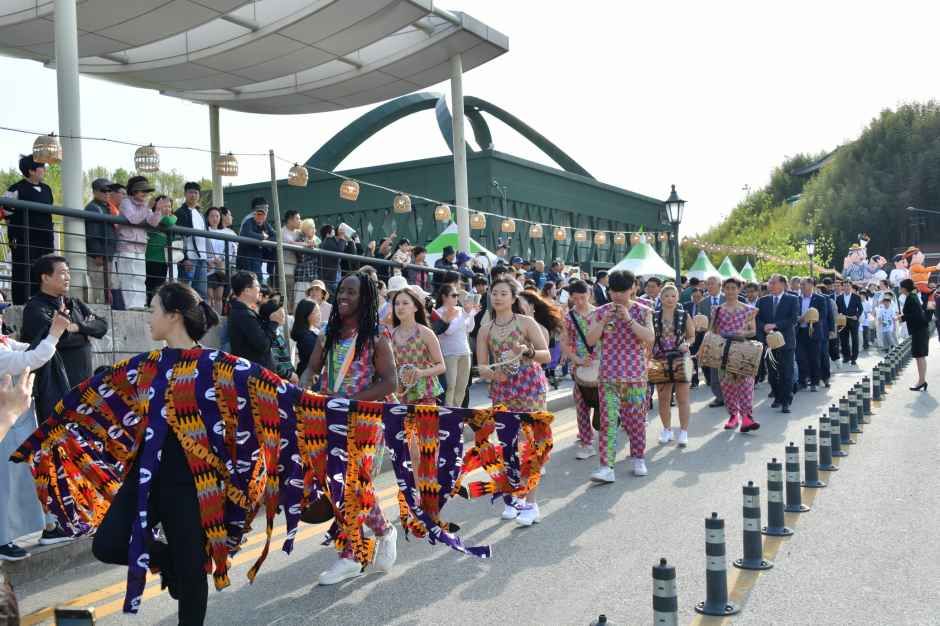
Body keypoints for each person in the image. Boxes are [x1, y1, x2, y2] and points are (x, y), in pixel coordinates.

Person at [87, 282, 220, 624]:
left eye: (153, 310)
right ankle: (169, 560)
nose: (149, 319)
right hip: (144, 477)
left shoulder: (216, 366)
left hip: (189, 483)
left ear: (174, 316)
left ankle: (181, 565)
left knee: (193, 575)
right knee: (108, 544)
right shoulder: (146, 365)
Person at [305, 271, 399, 585]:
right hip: (329, 419)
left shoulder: (375, 336)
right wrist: (303, 390)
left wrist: (352, 401)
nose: (343, 297)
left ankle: (351, 555)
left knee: (353, 485)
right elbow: (311, 370)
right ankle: (383, 532)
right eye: (341, 291)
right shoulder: (327, 334)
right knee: (342, 487)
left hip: (365, 422)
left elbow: (390, 382)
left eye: (351, 292)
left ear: (365, 298)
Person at [476, 278, 551, 524]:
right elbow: (482, 366)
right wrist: (493, 373)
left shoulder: (526, 323)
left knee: (531, 446)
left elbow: (546, 355)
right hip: (503, 391)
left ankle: (531, 503)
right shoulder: (485, 328)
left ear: (513, 297)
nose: (498, 297)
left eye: (503, 293)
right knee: (507, 446)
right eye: (494, 293)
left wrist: (526, 352)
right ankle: (512, 498)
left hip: (531, 388)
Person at [0, 304, 69, 560]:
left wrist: (52, 332)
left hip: (19, 422)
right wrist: (54, 334)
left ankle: (49, 525)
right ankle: (3, 539)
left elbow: (30, 351)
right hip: (6, 426)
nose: (1, 315)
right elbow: (28, 360)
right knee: (6, 484)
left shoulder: (4, 341)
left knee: (31, 476)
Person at [585, 270, 654, 481]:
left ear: (633, 288)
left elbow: (650, 337)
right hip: (608, 376)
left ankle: (638, 458)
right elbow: (590, 340)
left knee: (635, 420)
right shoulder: (601, 312)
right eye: (613, 291)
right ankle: (607, 467)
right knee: (608, 421)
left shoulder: (643, 311)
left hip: (635, 376)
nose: (617, 296)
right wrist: (603, 321)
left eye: (622, 291)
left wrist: (629, 320)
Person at [20, 255, 108, 422]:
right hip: (54, 391)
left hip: (83, 385)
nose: (68, 277)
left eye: (68, 272)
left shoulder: (73, 303)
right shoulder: (35, 308)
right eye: (62, 273)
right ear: (45, 277)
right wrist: (85, 333)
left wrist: (78, 327)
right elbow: (58, 338)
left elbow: (102, 326)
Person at [1, 155, 55, 304]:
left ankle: (44, 300)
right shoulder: (16, 189)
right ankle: (21, 301)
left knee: (44, 270)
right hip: (23, 238)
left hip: (45, 239)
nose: (44, 170)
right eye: (41, 167)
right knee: (23, 270)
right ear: (31, 171)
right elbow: (5, 211)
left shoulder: (47, 189)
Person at [714, 278, 761, 431]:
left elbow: (753, 331)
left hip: (743, 350)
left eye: (733, 288)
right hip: (723, 351)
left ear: (739, 290)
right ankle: (733, 416)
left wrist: (743, 332)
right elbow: (712, 331)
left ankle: (747, 417)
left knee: (746, 384)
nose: (730, 291)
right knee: (728, 385)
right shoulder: (718, 310)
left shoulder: (748, 309)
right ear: (723, 290)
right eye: (727, 288)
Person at [652, 284, 695, 446]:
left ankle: (683, 431)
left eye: (673, 296)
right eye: (666, 296)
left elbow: (692, 336)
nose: (670, 299)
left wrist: (687, 344)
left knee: (683, 398)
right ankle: (666, 429)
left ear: (677, 297)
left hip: (681, 358)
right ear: (661, 298)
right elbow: (650, 338)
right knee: (663, 398)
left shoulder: (684, 315)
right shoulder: (653, 316)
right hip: (659, 359)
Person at [561, 279, 597, 459]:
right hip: (579, 367)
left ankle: (605, 437)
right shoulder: (568, 317)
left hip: (601, 366)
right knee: (581, 404)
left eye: (583, 297)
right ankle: (586, 442)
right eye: (576, 299)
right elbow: (564, 343)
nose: (580, 302)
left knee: (603, 405)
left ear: (589, 294)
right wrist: (577, 360)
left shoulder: (599, 314)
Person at [391, 287, 446, 405]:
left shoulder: (425, 333)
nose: (400, 307)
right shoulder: (391, 334)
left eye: (405, 303)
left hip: (425, 394)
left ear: (415, 307)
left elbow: (441, 366)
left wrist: (421, 372)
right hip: (400, 395)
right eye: (397, 304)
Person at [116, 176, 163, 310]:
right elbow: (133, 219)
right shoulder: (126, 203)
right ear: (134, 191)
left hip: (141, 246)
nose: (145, 194)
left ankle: (139, 304)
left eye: (146, 192)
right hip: (126, 245)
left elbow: (153, 222)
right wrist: (147, 207)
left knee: (140, 277)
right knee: (129, 276)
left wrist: (157, 210)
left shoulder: (145, 206)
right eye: (142, 191)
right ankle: (130, 305)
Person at [756, 275, 799, 414]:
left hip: (786, 342)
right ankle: (777, 396)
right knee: (773, 373)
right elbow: (757, 319)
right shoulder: (762, 301)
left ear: (782, 284)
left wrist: (775, 325)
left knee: (786, 372)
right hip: (769, 342)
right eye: (770, 283)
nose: (770, 285)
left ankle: (786, 400)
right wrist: (764, 327)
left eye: (773, 283)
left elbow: (793, 319)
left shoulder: (792, 299)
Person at [435, 284, 475, 407]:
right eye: (453, 295)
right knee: (450, 385)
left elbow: (470, 328)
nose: (456, 298)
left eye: (457, 295)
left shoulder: (460, 310)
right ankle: (448, 411)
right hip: (449, 353)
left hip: (465, 352)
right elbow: (448, 331)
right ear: (444, 297)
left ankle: (457, 411)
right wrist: (465, 314)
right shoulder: (439, 312)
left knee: (462, 386)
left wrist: (471, 314)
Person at [227, 271, 274, 371]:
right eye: (257, 286)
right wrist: (274, 323)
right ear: (247, 290)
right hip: (254, 376)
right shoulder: (243, 314)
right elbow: (263, 345)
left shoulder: (242, 311)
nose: (260, 289)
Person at [84, 177, 118, 305]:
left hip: (107, 255)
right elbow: (92, 233)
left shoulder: (107, 208)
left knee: (106, 290)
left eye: (110, 190)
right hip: (98, 257)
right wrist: (97, 253)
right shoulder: (93, 208)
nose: (108, 193)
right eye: (104, 190)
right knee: (99, 290)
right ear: (95, 191)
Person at [174, 182, 209, 299]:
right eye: (190, 192)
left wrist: (208, 258)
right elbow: (178, 238)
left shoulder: (200, 214)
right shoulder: (180, 212)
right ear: (185, 194)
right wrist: (184, 258)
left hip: (202, 259)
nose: (193, 195)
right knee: (185, 292)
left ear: (199, 195)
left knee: (201, 294)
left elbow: (205, 239)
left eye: (196, 193)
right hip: (189, 258)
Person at [795, 278, 831, 392]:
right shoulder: (797, 299)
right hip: (800, 332)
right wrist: (798, 319)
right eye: (800, 285)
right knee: (801, 358)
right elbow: (793, 314)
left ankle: (814, 382)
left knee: (814, 358)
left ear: (811, 285)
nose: (801, 286)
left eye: (803, 284)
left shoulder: (820, 299)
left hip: (814, 332)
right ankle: (802, 381)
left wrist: (810, 318)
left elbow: (823, 315)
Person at [698, 276, 726, 407]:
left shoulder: (729, 299)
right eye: (707, 284)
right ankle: (719, 396)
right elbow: (700, 321)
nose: (709, 286)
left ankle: (730, 395)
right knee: (714, 369)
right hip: (711, 340)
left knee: (727, 369)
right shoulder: (703, 303)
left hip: (728, 339)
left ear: (720, 285)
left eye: (712, 284)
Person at [144, 195, 178, 304]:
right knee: (150, 285)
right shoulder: (153, 217)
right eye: (164, 206)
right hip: (151, 257)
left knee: (159, 286)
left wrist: (173, 217)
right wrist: (173, 217)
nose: (167, 209)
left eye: (169, 206)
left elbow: (170, 220)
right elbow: (168, 220)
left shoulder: (168, 219)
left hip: (163, 259)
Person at [899, 278, 931, 391]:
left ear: (904, 288)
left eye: (900, 287)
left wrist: (902, 317)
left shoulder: (911, 298)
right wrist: (903, 317)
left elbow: (915, 315)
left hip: (920, 330)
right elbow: (914, 313)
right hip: (919, 330)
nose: (900, 289)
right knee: (919, 356)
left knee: (920, 356)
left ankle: (921, 381)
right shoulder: (912, 296)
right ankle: (921, 380)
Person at [259, 296, 298, 384]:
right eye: (281, 312)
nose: (284, 314)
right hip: (279, 381)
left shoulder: (276, 333)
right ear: (273, 315)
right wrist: (289, 375)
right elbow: (273, 361)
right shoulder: (270, 335)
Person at [236, 198, 275, 277]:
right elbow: (246, 233)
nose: (267, 211)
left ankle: (271, 271)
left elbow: (275, 235)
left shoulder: (264, 221)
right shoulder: (249, 219)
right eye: (266, 208)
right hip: (247, 256)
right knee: (255, 280)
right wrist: (262, 237)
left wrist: (266, 239)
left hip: (256, 256)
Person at [204, 206, 230, 314]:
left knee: (219, 297)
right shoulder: (204, 231)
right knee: (209, 296)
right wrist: (208, 260)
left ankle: (218, 318)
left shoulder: (224, 232)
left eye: (217, 216)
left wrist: (221, 259)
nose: (215, 218)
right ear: (207, 218)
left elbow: (228, 250)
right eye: (212, 216)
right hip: (208, 267)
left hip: (220, 268)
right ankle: (209, 318)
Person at [290, 298, 321, 387]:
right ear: (306, 314)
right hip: (308, 378)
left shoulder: (311, 331)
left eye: (319, 311)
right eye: (316, 312)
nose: (319, 315)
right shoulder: (306, 337)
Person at [293, 218, 319, 305]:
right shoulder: (300, 238)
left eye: (314, 228)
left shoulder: (317, 240)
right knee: (299, 301)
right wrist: (307, 245)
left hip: (313, 276)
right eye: (312, 228)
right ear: (306, 229)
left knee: (312, 303)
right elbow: (294, 245)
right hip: (303, 275)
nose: (314, 230)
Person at [836, 280, 863, 365]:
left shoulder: (856, 297)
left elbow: (861, 309)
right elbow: (837, 309)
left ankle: (854, 357)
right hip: (842, 321)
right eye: (845, 286)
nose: (846, 287)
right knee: (844, 340)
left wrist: (857, 316)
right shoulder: (839, 297)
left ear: (851, 287)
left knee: (855, 339)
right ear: (842, 287)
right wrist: (838, 314)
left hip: (853, 321)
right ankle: (846, 357)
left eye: (848, 286)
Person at [280, 210, 303, 309]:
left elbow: (316, 240)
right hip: (286, 271)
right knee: (285, 297)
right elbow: (291, 244)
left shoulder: (299, 233)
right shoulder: (283, 232)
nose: (300, 221)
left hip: (297, 272)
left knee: (293, 299)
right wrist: (307, 244)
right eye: (297, 218)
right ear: (290, 220)